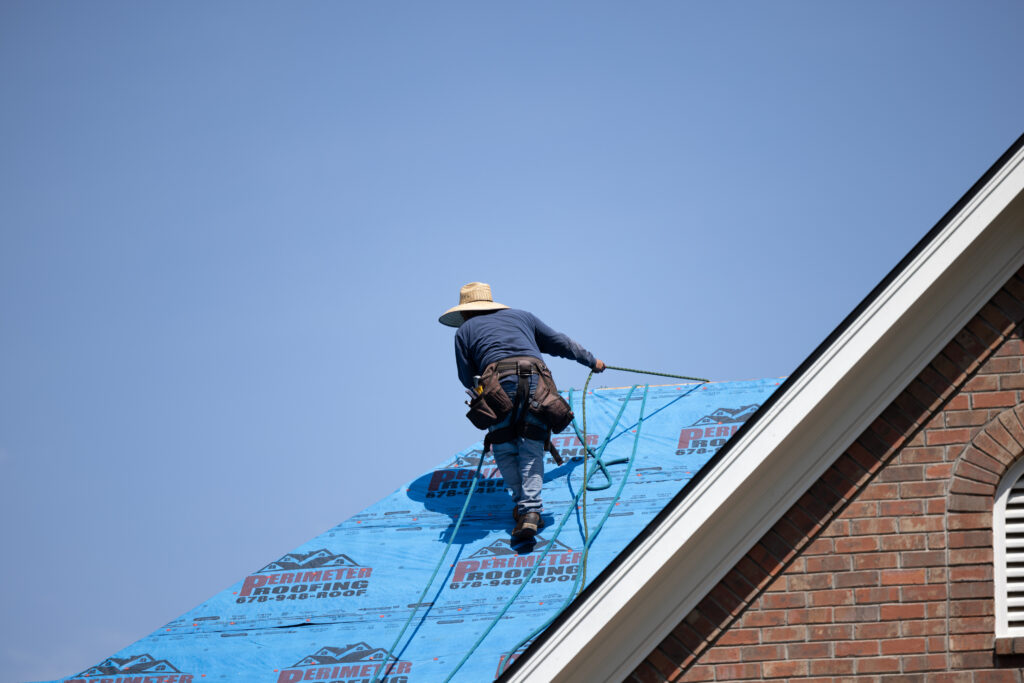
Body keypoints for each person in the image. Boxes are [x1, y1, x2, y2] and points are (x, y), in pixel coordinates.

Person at [439, 282, 605, 541]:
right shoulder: (522, 317)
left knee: (505, 447)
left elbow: (466, 377)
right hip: (538, 383)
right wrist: (591, 360)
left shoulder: (465, 331)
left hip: (496, 385)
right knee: (531, 446)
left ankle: (524, 509)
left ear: (466, 312)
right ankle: (530, 511)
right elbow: (560, 342)